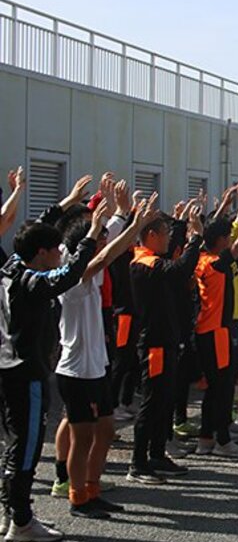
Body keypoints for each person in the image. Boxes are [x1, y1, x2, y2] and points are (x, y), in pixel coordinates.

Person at [1, 174, 101, 542]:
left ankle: (12, 512)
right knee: (26, 449)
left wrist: (68, 200)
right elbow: (69, 275)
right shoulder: (31, 281)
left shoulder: (10, 265)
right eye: (56, 249)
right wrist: (91, 235)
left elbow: (36, 229)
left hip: (8, 369)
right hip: (25, 374)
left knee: (13, 445)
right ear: (42, 253)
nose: (60, 252)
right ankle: (22, 520)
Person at [53, 180, 154, 520]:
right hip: (76, 370)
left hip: (96, 366)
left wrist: (125, 214)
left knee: (106, 430)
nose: (102, 244)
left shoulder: (87, 269)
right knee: (82, 437)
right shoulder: (72, 276)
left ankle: (92, 489)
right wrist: (135, 224)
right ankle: (77, 495)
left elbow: (109, 241)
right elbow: (107, 251)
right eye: (96, 241)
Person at [126, 200, 204, 484]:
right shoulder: (143, 262)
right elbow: (179, 269)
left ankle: (157, 454)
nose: (169, 240)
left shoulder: (154, 259)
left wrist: (184, 227)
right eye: (165, 234)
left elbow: (175, 261)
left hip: (166, 339)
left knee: (165, 399)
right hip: (154, 344)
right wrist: (196, 239)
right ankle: (138, 462)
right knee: (152, 401)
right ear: (151, 236)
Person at [193, 186, 238, 457]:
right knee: (221, 388)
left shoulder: (203, 257)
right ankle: (221, 440)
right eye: (226, 237)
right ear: (220, 240)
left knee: (216, 389)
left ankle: (207, 438)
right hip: (216, 331)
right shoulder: (217, 262)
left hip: (211, 329)